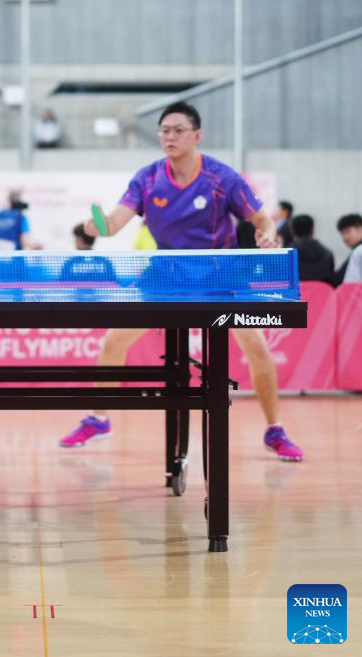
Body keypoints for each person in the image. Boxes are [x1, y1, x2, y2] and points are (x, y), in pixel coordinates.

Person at [59, 101, 304, 462]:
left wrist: (268, 236)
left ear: (197, 135)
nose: (169, 136)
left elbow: (262, 220)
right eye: (164, 131)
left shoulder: (222, 178)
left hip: (220, 273)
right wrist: (96, 226)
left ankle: (274, 429)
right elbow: (113, 224)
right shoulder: (148, 178)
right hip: (166, 273)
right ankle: (99, 418)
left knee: (256, 347)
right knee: (113, 341)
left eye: (178, 130)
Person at [290, 214, 334, 284]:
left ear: (292, 231)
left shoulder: (287, 254)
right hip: (322, 289)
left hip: (297, 290)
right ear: (312, 230)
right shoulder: (327, 252)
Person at [334, 213, 362, 285]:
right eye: (342, 233)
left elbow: (348, 283)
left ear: (360, 229)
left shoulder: (360, 252)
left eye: (347, 231)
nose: (345, 237)